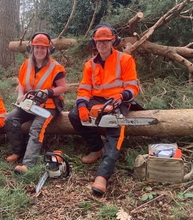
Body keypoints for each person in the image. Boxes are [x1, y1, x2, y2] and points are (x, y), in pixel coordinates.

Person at [68, 24, 139, 194]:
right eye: (99, 41)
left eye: (106, 41)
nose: (102, 44)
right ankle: (96, 147)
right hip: (98, 99)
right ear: (95, 42)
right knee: (74, 115)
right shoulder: (90, 65)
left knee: (114, 131)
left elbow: (132, 87)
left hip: (119, 99)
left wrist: (122, 96)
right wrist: (82, 106)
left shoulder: (125, 60)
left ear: (113, 41)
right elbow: (84, 89)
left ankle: (103, 176)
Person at [5, 31, 66, 174]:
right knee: (10, 118)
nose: (39, 50)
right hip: (29, 103)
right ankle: (18, 151)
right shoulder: (26, 64)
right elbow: (21, 83)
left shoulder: (55, 67)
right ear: (31, 48)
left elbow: (62, 87)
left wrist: (48, 92)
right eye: (37, 47)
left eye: (43, 48)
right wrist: (20, 94)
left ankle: (27, 164)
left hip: (48, 106)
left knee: (36, 128)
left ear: (48, 49)